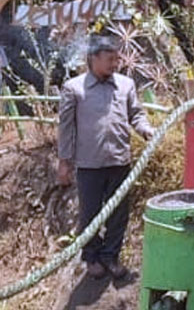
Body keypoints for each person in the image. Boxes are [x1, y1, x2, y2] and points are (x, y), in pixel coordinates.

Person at [57, 37, 155, 280]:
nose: (115, 64)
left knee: (119, 213)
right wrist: (64, 162)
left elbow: (136, 114)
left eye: (117, 59)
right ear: (94, 58)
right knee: (90, 213)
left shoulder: (125, 85)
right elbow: (66, 128)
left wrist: (145, 129)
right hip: (89, 164)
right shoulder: (74, 88)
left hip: (120, 160)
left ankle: (111, 256)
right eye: (110, 59)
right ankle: (91, 257)